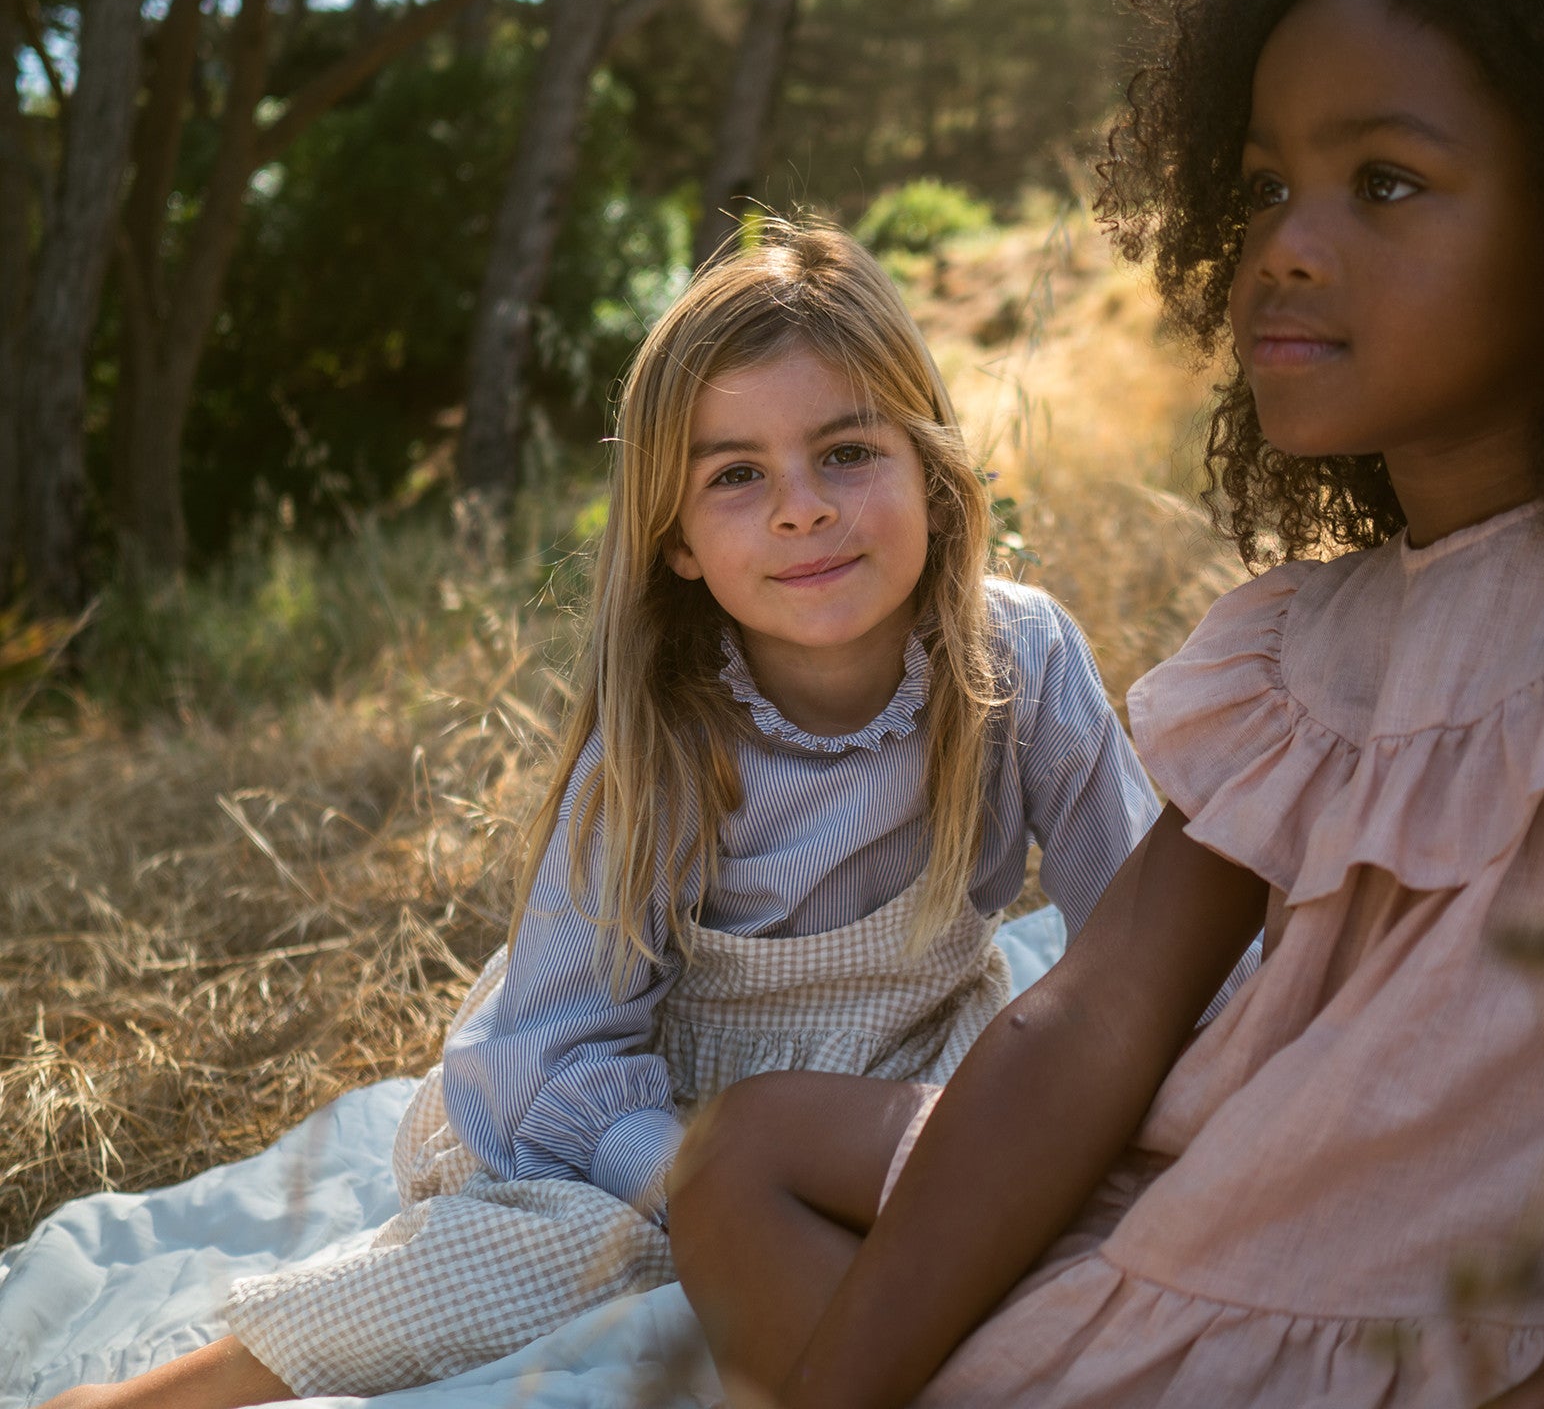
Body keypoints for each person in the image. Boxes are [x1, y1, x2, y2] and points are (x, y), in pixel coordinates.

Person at [668, 0, 1544, 1409]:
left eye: (1385, 180)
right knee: (744, 1150)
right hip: (1223, 1211)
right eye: (1260, 186)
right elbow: (1090, 1025)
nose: (1283, 247)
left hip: (1508, 1322)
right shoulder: (1305, 647)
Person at [43, 222, 1196, 1409]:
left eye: (847, 452)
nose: (801, 509)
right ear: (678, 542)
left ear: (933, 473)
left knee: (1066, 1229)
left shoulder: (1020, 658)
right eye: (736, 475)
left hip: (915, 1071)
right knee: (514, 1271)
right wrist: (692, 1183)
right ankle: (170, 1389)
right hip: (666, 1104)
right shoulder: (669, 733)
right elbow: (551, 1049)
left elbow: (1145, 933)